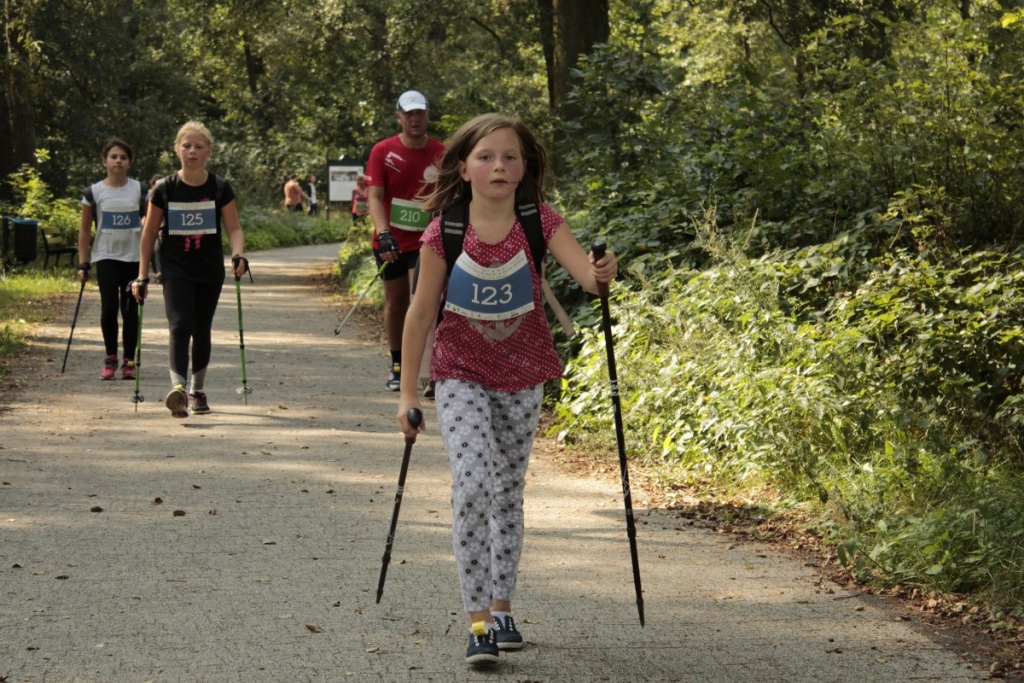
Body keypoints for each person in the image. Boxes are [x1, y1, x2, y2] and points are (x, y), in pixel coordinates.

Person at [396, 113, 618, 666]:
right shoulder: (445, 230)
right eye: (486, 157)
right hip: (459, 371)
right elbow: (420, 314)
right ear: (463, 168)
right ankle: (477, 623)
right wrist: (408, 395)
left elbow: (590, 281)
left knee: (507, 492)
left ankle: (502, 609)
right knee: (472, 484)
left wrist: (603, 271)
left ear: (524, 168)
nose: (499, 166)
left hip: (524, 370)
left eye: (509, 157)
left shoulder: (540, 220)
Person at [131, 121, 248, 418]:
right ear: (177, 150)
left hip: (209, 268)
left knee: (201, 327)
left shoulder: (219, 187)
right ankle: (178, 390)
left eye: (198, 146)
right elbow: (149, 233)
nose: (192, 151)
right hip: (175, 268)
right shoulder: (164, 189)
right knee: (180, 324)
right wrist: (142, 275)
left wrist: (238, 254)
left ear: (208, 151)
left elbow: (234, 228)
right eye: (186, 146)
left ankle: (197, 390)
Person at [365, 89, 445, 391]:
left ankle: (425, 369)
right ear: (399, 117)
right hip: (391, 242)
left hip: (426, 242)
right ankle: (397, 365)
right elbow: (374, 197)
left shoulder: (441, 152)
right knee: (396, 303)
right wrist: (383, 233)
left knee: (421, 302)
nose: (415, 119)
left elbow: (450, 195)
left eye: (419, 113)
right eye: (409, 114)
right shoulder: (383, 151)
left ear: (427, 115)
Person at [76, 138, 146, 380]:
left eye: (123, 158)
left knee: (130, 309)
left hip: (133, 257)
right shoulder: (94, 192)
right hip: (106, 255)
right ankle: (110, 357)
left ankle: (129, 361)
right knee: (109, 308)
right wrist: (83, 263)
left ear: (129, 163)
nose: (118, 161)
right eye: (114, 157)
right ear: (104, 161)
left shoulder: (140, 190)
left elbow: (150, 225)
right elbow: (85, 230)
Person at [147, 173, 164, 281]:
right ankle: (157, 271)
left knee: (159, 248)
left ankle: (160, 271)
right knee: (154, 248)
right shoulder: (149, 193)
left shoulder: (165, 192)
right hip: (150, 224)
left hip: (162, 225)